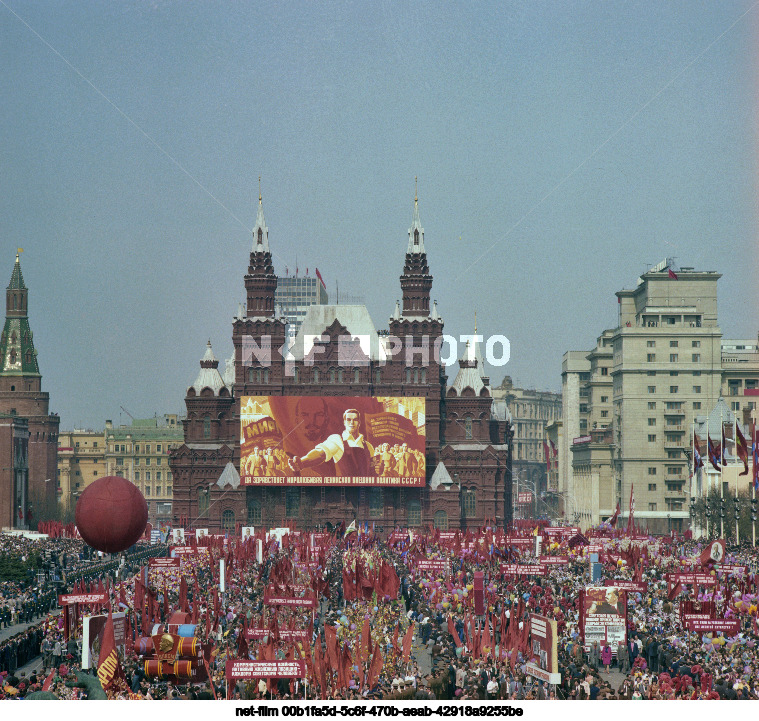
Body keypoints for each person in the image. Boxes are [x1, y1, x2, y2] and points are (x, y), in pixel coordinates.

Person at [289, 408, 375, 477]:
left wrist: (379, 470)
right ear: (344, 422)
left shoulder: (368, 446)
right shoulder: (337, 440)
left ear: (359, 423)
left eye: (355, 420)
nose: (352, 422)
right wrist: (302, 462)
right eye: (349, 420)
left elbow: (373, 471)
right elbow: (320, 454)